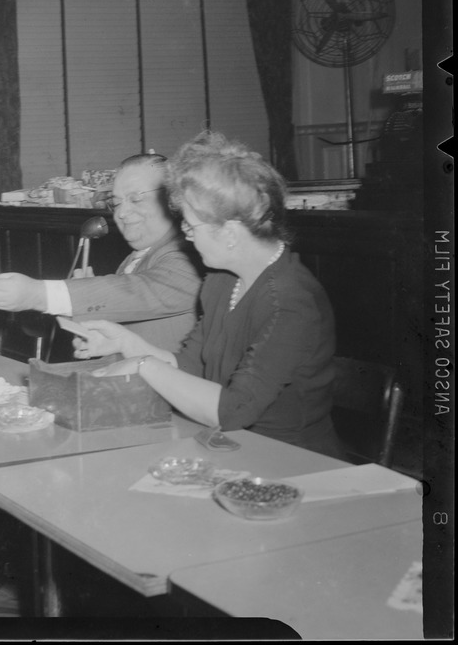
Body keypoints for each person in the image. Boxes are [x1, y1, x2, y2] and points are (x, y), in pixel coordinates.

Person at [74, 131, 346, 458]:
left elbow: (232, 411)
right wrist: (124, 343)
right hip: (227, 447)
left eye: (190, 226)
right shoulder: (221, 282)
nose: (186, 237)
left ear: (229, 232)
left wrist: (143, 364)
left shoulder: (291, 300)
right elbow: (189, 366)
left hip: (290, 461)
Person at [0, 153, 204, 352]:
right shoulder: (137, 256)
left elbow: (138, 292)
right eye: (116, 202)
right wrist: (100, 329)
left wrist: (36, 293)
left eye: (136, 199)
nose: (122, 213)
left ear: (172, 200)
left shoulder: (189, 258)